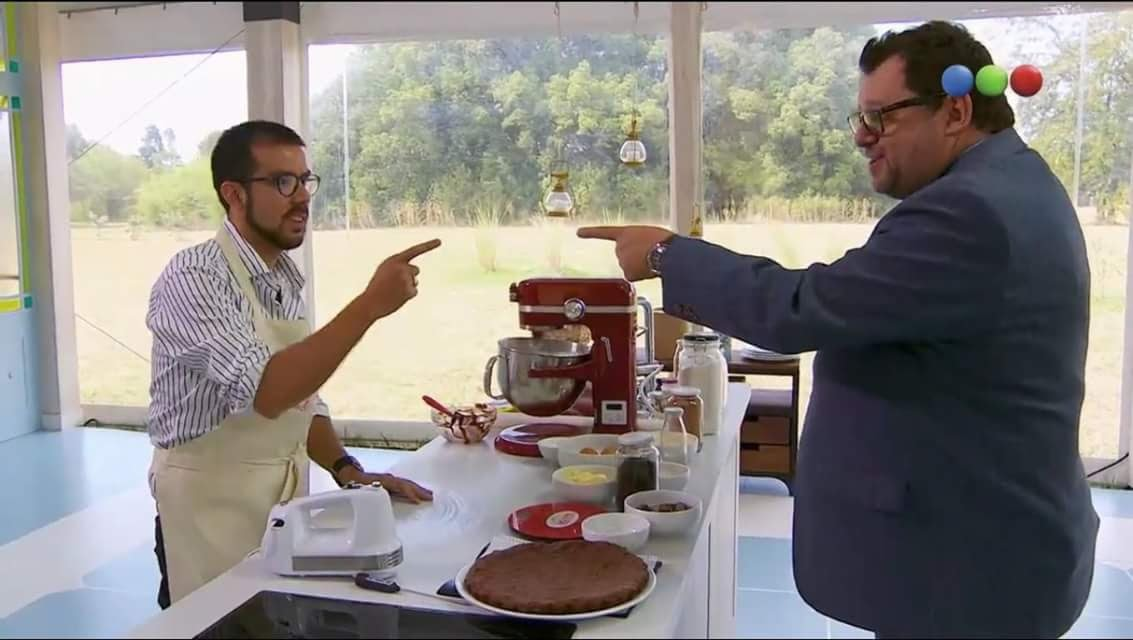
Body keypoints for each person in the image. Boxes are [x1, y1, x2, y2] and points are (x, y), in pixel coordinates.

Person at [579, 21, 1100, 639]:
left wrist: (667, 254)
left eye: (881, 118)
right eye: (860, 118)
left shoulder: (970, 211)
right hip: (986, 543)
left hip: (970, 564)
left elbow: (804, 307)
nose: (862, 137)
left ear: (956, 111)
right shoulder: (1012, 183)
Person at [145, 120, 439, 609]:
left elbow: (301, 398)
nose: (302, 197)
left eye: (305, 180)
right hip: (206, 511)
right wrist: (369, 305)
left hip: (280, 506)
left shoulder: (282, 277)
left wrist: (347, 469)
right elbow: (269, 391)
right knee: (215, 624)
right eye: (283, 182)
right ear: (234, 194)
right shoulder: (193, 277)